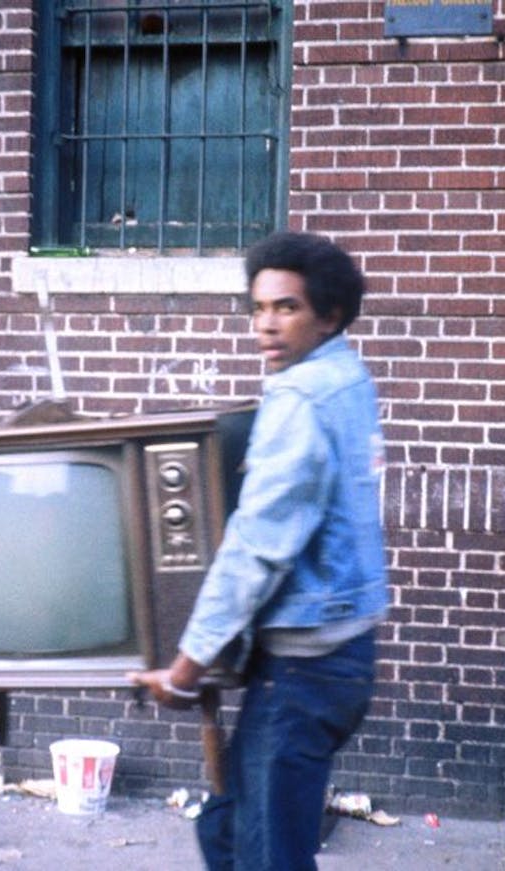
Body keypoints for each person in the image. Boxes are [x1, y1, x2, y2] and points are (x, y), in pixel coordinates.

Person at [130, 231, 389, 871]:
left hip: (305, 669)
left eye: (287, 308)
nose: (265, 325)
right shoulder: (346, 377)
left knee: (266, 855)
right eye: (258, 308)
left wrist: (186, 667)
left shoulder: (302, 398)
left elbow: (257, 549)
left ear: (329, 314)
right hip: (337, 658)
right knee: (225, 829)